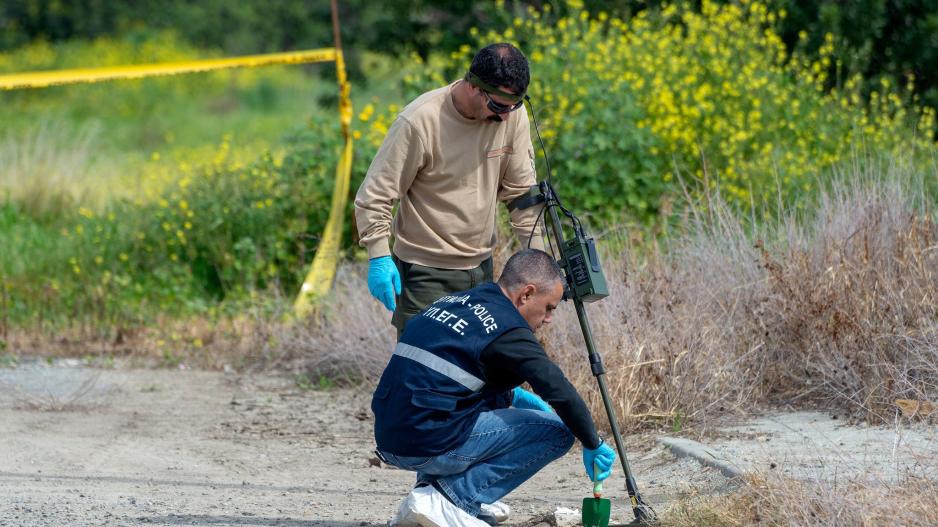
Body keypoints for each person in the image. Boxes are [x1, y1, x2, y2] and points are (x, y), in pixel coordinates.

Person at [372, 249, 617, 527]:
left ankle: (427, 495)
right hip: (428, 445)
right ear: (527, 294)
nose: (549, 318)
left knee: (473, 404)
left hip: (390, 439)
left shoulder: (456, 301)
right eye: (549, 307)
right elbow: (557, 388)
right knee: (559, 431)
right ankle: (453, 499)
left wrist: (513, 395)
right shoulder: (508, 329)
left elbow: (449, 374)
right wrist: (590, 441)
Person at [354, 42, 545, 336]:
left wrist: (539, 261)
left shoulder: (510, 115)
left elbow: (522, 195)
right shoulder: (419, 121)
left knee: (479, 371)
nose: (505, 116)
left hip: (481, 269)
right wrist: (379, 255)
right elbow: (375, 196)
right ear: (473, 87)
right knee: (426, 372)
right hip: (424, 274)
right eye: (498, 106)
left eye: (513, 107)